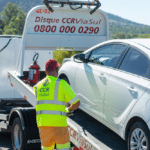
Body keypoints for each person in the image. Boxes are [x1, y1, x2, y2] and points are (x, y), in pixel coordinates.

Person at [33, 59, 80, 150]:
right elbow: (76, 103)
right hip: (59, 125)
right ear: (56, 70)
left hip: (43, 125)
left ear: (46, 71)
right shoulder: (61, 84)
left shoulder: (37, 86)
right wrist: (68, 110)